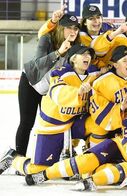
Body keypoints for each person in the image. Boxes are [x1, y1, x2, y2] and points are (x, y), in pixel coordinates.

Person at [22, 88, 127, 188]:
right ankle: (44, 175)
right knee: (88, 160)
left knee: (111, 172)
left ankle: (90, 181)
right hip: (120, 148)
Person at [0, 45, 96, 175]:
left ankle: (79, 158)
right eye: (83, 54)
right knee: (39, 170)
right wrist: (77, 92)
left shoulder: (92, 74)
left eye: (89, 55)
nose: (87, 57)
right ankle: (14, 159)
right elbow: (57, 93)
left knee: (97, 126)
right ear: (73, 59)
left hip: (73, 122)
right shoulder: (60, 73)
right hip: (53, 124)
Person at [15, 14, 80, 157]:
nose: (73, 31)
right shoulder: (47, 39)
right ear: (60, 28)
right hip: (31, 82)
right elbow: (37, 63)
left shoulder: (76, 46)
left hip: (51, 88)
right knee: (27, 122)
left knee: (51, 124)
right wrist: (58, 52)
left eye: (75, 28)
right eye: (69, 27)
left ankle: (48, 156)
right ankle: (19, 158)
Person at [38, 5, 114, 47]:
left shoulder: (109, 30)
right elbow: (42, 35)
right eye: (91, 18)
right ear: (84, 22)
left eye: (98, 17)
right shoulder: (76, 32)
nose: (96, 21)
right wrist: (53, 21)